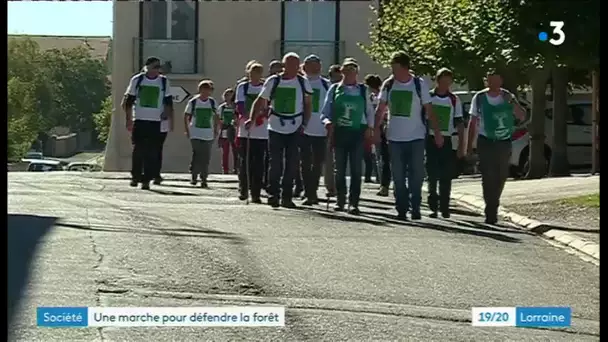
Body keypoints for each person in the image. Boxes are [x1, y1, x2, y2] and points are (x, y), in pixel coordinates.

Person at [374, 51, 444, 220]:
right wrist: (375, 130)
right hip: (394, 138)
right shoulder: (388, 85)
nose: (394, 72)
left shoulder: (419, 85)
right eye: (392, 69)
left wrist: (437, 133)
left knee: (416, 174)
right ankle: (401, 208)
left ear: (406, 68)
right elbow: (380, 109)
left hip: (416, 138)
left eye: (396, 69)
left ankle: (416, 207)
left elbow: (429, 111)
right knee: (397, 175)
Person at [249, 52, 313, 208]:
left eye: (296, 65)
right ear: (285, 65)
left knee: (292, 163)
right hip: (275, 126)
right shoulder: (273, 81)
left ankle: (287, 197)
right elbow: (260, 101)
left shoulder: (303, 82)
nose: (294, 68)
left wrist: (305, 123)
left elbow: (308, 104)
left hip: (295, 127)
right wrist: (252, 118)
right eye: (290, 64)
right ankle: (273, 195)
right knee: (275, 163)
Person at [467, 69, 526, 224]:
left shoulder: (507, 97)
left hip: (504, 141)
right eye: (489, 79)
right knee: (488, 175)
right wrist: (468, 145)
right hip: (486, 141)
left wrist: (512, 102)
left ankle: (494, 203)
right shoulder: (479, 97)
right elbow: (472, 122)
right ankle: (490, 210)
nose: (492, 83)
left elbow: (521, 115)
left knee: (501, 175)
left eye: (495, 79)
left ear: (501, 80)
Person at [321, 59, 375, 214]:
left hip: (357, 132)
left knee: (356, 169)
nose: (350, 72)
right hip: (340, 132)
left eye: (353, 69)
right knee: (340, 168)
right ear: (342, 72)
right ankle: (340, 200)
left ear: (357, 72)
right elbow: (325, 112)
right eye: (347, 69)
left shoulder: (363, 90)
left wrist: (370, 128)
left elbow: (369, 111)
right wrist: (327, 122)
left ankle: (354, 203)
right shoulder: (334, 89)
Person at [122, 56, 173, 190]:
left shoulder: (163, 81)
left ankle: (147, 178)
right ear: (147, 67)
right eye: (154, 67)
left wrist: (166, 115)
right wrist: (128, 119)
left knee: (153, 151)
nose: (157, 70)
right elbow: (129, 101)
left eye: (158, 67)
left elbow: (168, 101)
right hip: (140, 119)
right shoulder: (137, 80)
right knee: (138, 149)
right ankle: (135, 176)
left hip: (156, 121)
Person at [426, 68, 466, 218]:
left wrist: (462, 145)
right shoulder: (428, 97)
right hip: (430, 139)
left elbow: (460, 123)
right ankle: (433, 205)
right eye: (443, 81)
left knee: (446, 175)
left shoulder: (454, 100)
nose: (445, 84)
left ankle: (444, 206)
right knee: (432, 173)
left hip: (447, 140)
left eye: (448, 82)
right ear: (437, 80)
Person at [299, 54, 330, 205]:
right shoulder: (300, 83)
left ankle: (313, 191)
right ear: (304, 67)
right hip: (303, 129)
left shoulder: (326, 85)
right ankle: (307, 191)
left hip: (321, 131)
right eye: (311, 64)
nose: (315, 67)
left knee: (317, 163)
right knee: (305, 162)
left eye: (317, 64)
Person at [235, 62, 268, 203]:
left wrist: (260, 117)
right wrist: (249, 118)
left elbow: (268, 105)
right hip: (245, 130)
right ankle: (243, 189)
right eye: (252, 73)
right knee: (245, 161)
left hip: (262, 131)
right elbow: (240, 106)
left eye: (258, 73)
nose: (255, 76)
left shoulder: (265, 87)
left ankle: (256, 192)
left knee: (259, 163)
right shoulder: (243, 87)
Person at [184, 80, 219, 188]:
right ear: (200, 90)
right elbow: (186, 116)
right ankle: (194, 175)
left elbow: (217, 116)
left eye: (208, 90)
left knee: (206, 156)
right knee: (197, 154)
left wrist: (216, 129)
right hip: (195, 133)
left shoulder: (212, 102)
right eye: (204, 90)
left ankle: (204, 178)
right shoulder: (193, 102)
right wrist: (187, 129)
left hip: (208, 133)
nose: (206, 92)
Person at [323, 64, 342, 198]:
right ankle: (331, 187)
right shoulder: (328, 88)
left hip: (344, 127)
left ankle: (340, 187)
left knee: (339, 159)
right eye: (335, 77)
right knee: (329, 159)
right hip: (329, 126)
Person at [363, 74, 382, 183]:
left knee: (369, 153)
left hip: (369, 126)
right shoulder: (380, 95)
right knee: (377, 154)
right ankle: (379, 177)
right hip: (379, 126)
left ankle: (368, 175)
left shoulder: (369, 96)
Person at [217, 88, 238, 174]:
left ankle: (236, 169)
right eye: (227, 95)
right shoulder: (222, 107)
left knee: (235, 150)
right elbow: (218, 118)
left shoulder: (235, 107)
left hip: (234, 129)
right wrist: (220, 125)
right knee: (225, 151)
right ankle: (225, 169)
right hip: (225, 129)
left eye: (230, 95)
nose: (229, 97)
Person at [155, 110, 171, 184]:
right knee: (156, 150)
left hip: (162, 125)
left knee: (157, 149)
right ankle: (154, 174)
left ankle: (156, 174)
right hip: (148, 122)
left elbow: (170, 109)